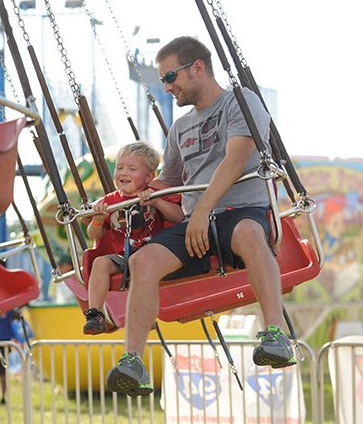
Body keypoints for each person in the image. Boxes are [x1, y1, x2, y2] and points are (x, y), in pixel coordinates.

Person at [106, 36, 294, 397]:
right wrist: (128, 195)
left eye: (170, 76)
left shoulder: (241, 102)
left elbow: (236, 159)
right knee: (143, 261)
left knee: (250, 235)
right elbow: (169, 180)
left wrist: (201, 210)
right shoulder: (179, 129)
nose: (167, 86)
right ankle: (133, 360)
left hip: (240, 209)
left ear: (198, 67)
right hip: (196, 222)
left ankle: (275, 335)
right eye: (163, 79)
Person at [83, 141, 184, 335]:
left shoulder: (155, 195)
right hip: (123, 255)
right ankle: (95, 314)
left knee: (142, 266)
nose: (123, 173)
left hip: (153, 254)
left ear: (149, 177)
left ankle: (145, 315)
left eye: (132, 168)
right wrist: (97, 219)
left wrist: (158, 203)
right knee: (100, 264)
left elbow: (178, 217)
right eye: (120, 167)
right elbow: (93, 235)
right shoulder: (109, 201)